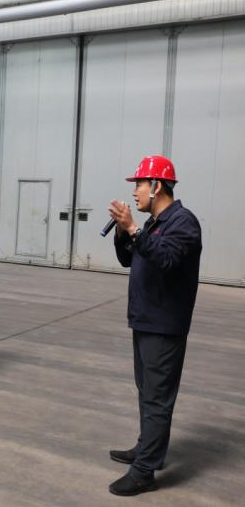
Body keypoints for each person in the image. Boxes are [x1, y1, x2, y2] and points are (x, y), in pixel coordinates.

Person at [106, 155, 202, 497]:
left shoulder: (183, 222)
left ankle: (144, 471)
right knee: (147, 392)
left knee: (158, 398)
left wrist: (133, 228)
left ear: (157, 185)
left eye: (140, 185)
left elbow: (167, 258)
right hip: (145, 320)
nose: (135, 192)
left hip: (164, 325)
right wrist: (123, 232)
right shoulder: (153, 223)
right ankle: (147, 449)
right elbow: (128, 259)